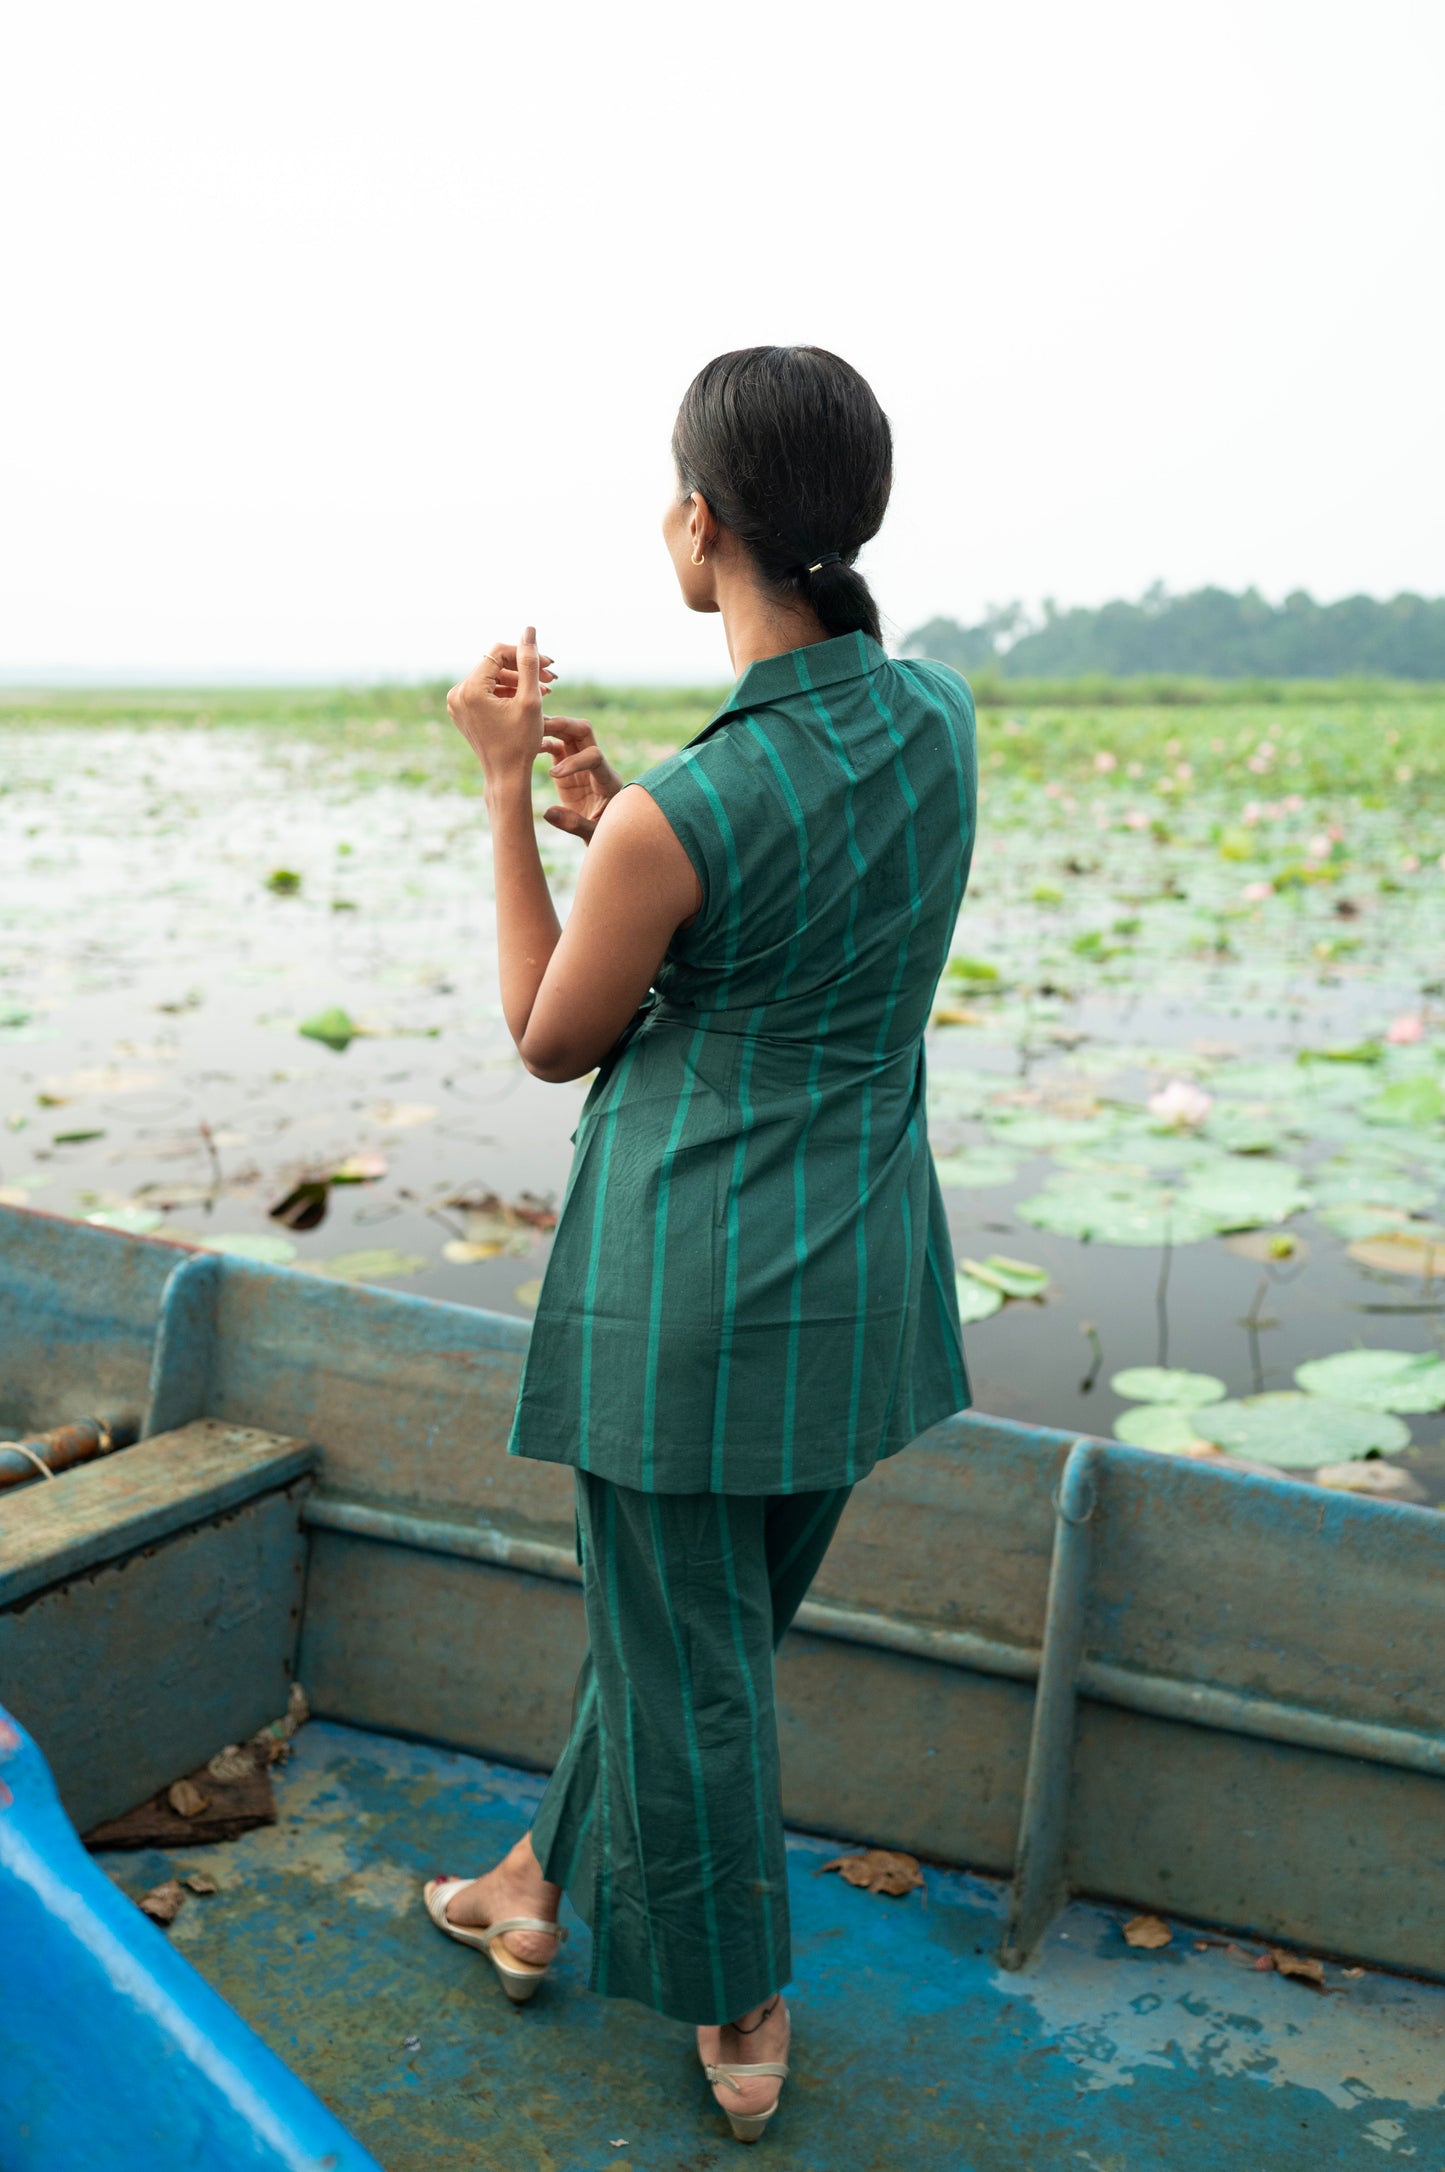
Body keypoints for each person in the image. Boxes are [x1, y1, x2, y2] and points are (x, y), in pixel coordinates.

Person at [423, 344, 977, 2145]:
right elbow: (789, 919)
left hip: (688, 1302)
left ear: (699, 523)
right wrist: (620, 843)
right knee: (693, 1647)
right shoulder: (935, 720)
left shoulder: (683, 810)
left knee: (691, 1669)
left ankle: (742, 2005)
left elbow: (548, 1035)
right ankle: (531, 1881)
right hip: (860, 1287)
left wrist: (514, 794)